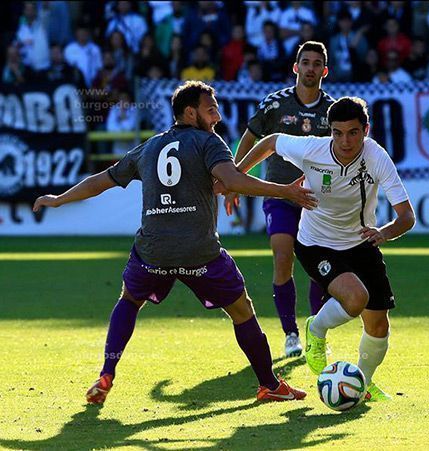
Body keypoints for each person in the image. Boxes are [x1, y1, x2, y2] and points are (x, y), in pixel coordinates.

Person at [32, 80, 315, 404]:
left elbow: (102, 181)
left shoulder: (149, 147)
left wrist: (59, 199)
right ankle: (270, 385)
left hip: (153, 251)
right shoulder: (209, 143)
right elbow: (233, 179)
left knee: (129, 300)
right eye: (211, 109)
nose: (218, 116)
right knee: (242, 311)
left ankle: (107, 373)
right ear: (190, 112)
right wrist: (286, 191)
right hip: (200, 252)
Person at [233, 97, 416, 401]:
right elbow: (271, 141)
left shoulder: (377, 157)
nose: (345, 141)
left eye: (353, 133)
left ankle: (361, 385)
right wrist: (236, 174)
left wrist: (383, 233)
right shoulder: (312, 149)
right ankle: (315, 331)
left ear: (366, 130)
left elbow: (407, 216)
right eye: (338, 132)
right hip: (315, 243)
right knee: (356, 298)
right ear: (330, 130)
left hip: (362, 242)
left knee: (379, 326)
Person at [226, 41, 335, 358]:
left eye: (317, 63)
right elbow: (250, 136)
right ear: (295, 67)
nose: (311, 68)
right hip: (278, 192)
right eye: (306, 62)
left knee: (319, 267)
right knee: (283, 256)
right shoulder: (275, 105)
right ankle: (290, 334)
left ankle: (317, 332)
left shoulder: (333, 110)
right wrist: (234, 179)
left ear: (324, 71)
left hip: (316, 199)